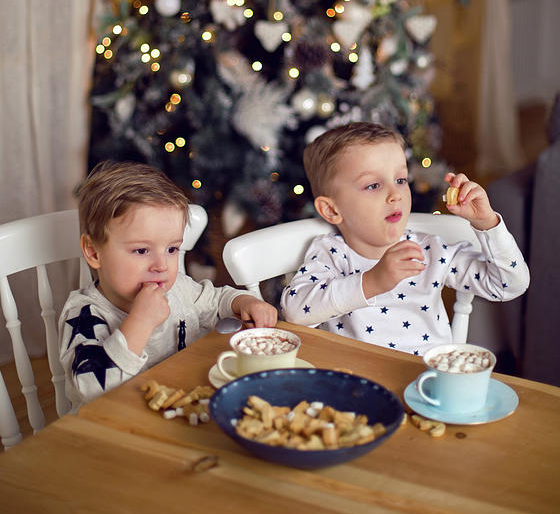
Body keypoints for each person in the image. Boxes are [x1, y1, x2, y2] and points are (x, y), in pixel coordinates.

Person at [280, 122, 529, 355]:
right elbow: (295, 312)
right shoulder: (332, 254)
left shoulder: (431, 251)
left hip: (429, 383)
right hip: (359, 385)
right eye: (373, 185)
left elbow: (509, 284)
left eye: (400, 180)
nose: (395, 194)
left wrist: (487, 223)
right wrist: (372, 281)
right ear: (332, 210)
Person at [59, 161, 277, 410]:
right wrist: (140, 322)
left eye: (172, 249)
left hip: (178, 409)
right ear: (94, 252)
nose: (161, 265)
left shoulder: (177, 290)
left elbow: (216, 301)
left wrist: (244, 302)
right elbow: (90, 385)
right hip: (112, 431)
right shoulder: (84, 314)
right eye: (142, 250)